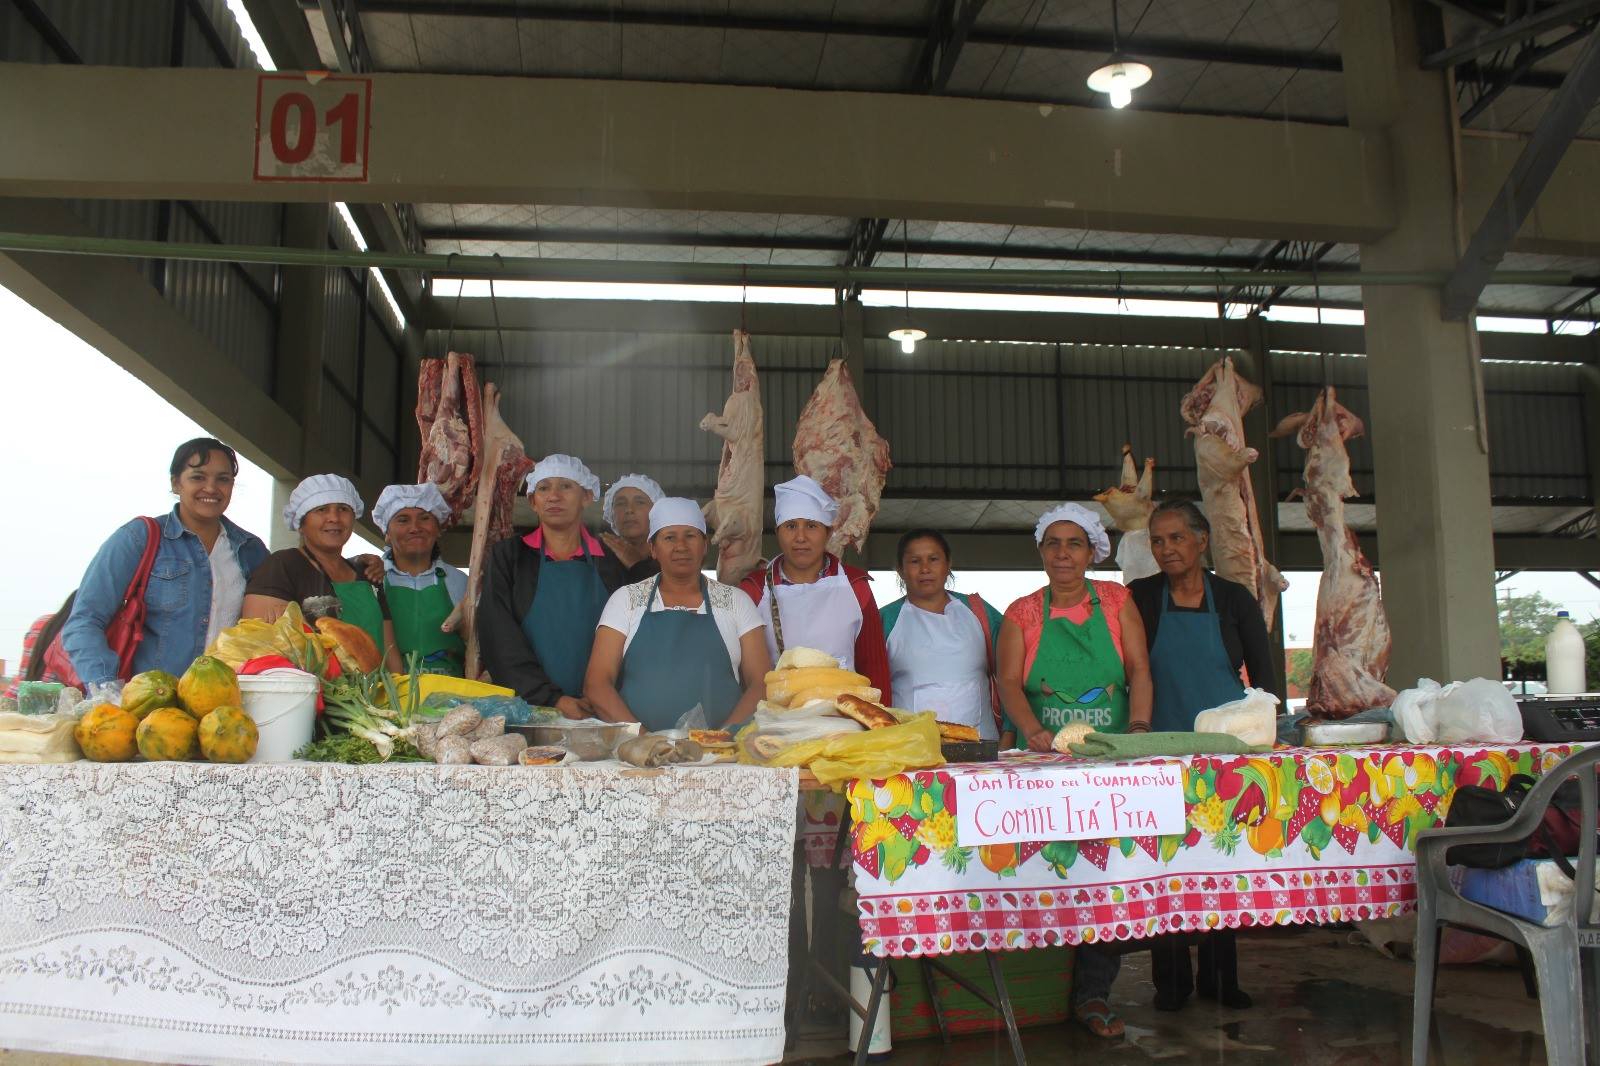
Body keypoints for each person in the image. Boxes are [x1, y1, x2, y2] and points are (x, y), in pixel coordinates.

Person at [996, 501, 1152, 1039]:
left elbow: (1137, 670)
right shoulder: (1021, 612)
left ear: (1091, 552)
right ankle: (1034, 987)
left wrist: (1136, 730)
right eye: (1053, 544)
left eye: (1074, 544)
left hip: (1108, 761)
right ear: (1041, 552)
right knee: (1047, 869)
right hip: (1044, 764)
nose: (1063, 554)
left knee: (1105, 875)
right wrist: (1031, 730)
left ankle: (1093, 992)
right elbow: (1010, 684)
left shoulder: (1116, 601)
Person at [1131, 499, 1269, 1013]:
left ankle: (1219, 977)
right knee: (1167, 865)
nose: (1166, 549)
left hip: (1224, 754)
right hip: (1159, 750)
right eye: (1158, 541)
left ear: (1201, 540)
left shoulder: (1234, 599)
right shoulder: (1141, 597)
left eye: (1176, 538)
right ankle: (1171, 983)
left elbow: (1266, 679)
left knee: (1220, 863)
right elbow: (1129, 666)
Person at [62, 438, 268, 686]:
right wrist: (108, 691)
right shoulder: (139, 538)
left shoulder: (251, 550)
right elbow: (84, 622)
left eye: (222, 479)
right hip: (147, 708)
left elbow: (264, 635)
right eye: (198, 477)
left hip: (224, 709)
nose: (211, 488)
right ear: (175, 483)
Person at [585, 497, 770, 730]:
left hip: (721, 756)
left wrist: (722, 739)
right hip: (639, 757)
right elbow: (597, 684)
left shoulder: (736, 602)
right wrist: (642, 739)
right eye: (669, 537)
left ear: (704, 546)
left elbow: (760, 683)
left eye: (690, 536)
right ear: (653, 548)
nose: (681, 546)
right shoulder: (626, 600)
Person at [477, 454, 637, 716]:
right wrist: (553, 699)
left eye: (566, 486)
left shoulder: (611, 561)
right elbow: (499, 636)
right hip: (530, 711)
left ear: (586, 497)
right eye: (544, 488)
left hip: (602, 712)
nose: (554, 496)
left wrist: (603, 699)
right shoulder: (509, 556)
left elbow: (634, 640)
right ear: (533, 501)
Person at [738, 475, 891, 700]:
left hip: (844, 722)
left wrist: (882, 728)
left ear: (828, 533)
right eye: (790, 526)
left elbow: (876, 670)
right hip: (776, 723)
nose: (801, 537)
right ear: (778, 532)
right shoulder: (754, 590)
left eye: (811, 526)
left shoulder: (856, 587)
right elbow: (742, 675)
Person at [241, 474, 403, 672]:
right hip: (317, 698)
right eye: (321, 509)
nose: (334, 518)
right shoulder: (282, 566)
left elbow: (389, 650)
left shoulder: (368, 573)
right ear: (301, 523)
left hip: (377, 696)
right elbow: (257, 646)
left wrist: (400, 691)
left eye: (343, 509)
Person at [880, 530, 1004, 737]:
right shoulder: (884, 620)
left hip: (982, 750)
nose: (925, 569)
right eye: (914, 561)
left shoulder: (979, 612)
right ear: (901, 569)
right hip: (910, 748)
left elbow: (1011, 677)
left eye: (934, 559)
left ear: (948, 565)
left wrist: (1008, 734)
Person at [371, 482, 468, 676]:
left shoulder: (459, 581)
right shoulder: (371, 581)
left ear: (438, 529)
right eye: (402, 520)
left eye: (425, 518)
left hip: (452, 695)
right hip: (388, 696)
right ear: (387, 533)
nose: (415, 528)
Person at [600, 473, 664, 572]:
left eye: (639, 502)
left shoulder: (671, 560)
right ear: (611, 514)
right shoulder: (598, 562)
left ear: (657, 511)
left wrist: (637, 566)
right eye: (620, 503)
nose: (629, 510)